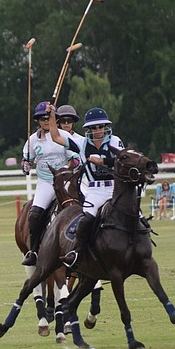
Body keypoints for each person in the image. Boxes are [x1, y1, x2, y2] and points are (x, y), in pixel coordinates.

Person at [48, 106, 125, 267]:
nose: (98, 130)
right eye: (94, 127)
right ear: (88, 129)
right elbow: (55, 136)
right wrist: (52, 116)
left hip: (114, 188)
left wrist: (103, 162)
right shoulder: (81, 143)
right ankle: (77, 252)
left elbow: (123, 160)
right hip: (95, 190)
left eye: (101, 126)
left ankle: (140, 243)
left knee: (135, 214)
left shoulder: (115, 141)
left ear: (106, 127)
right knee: (87, 219)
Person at [19, 101, 77, 266]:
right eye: (41, 118)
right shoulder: (32, 141)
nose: (45, 120)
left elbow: (75, 158)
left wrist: (66, 169)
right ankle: (34, 251)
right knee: (34, 214)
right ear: (37, 120)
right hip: (46, 182)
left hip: (66, 181)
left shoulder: (64, 136)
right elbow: (27, 159)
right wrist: (25, 165)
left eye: (48, 117)